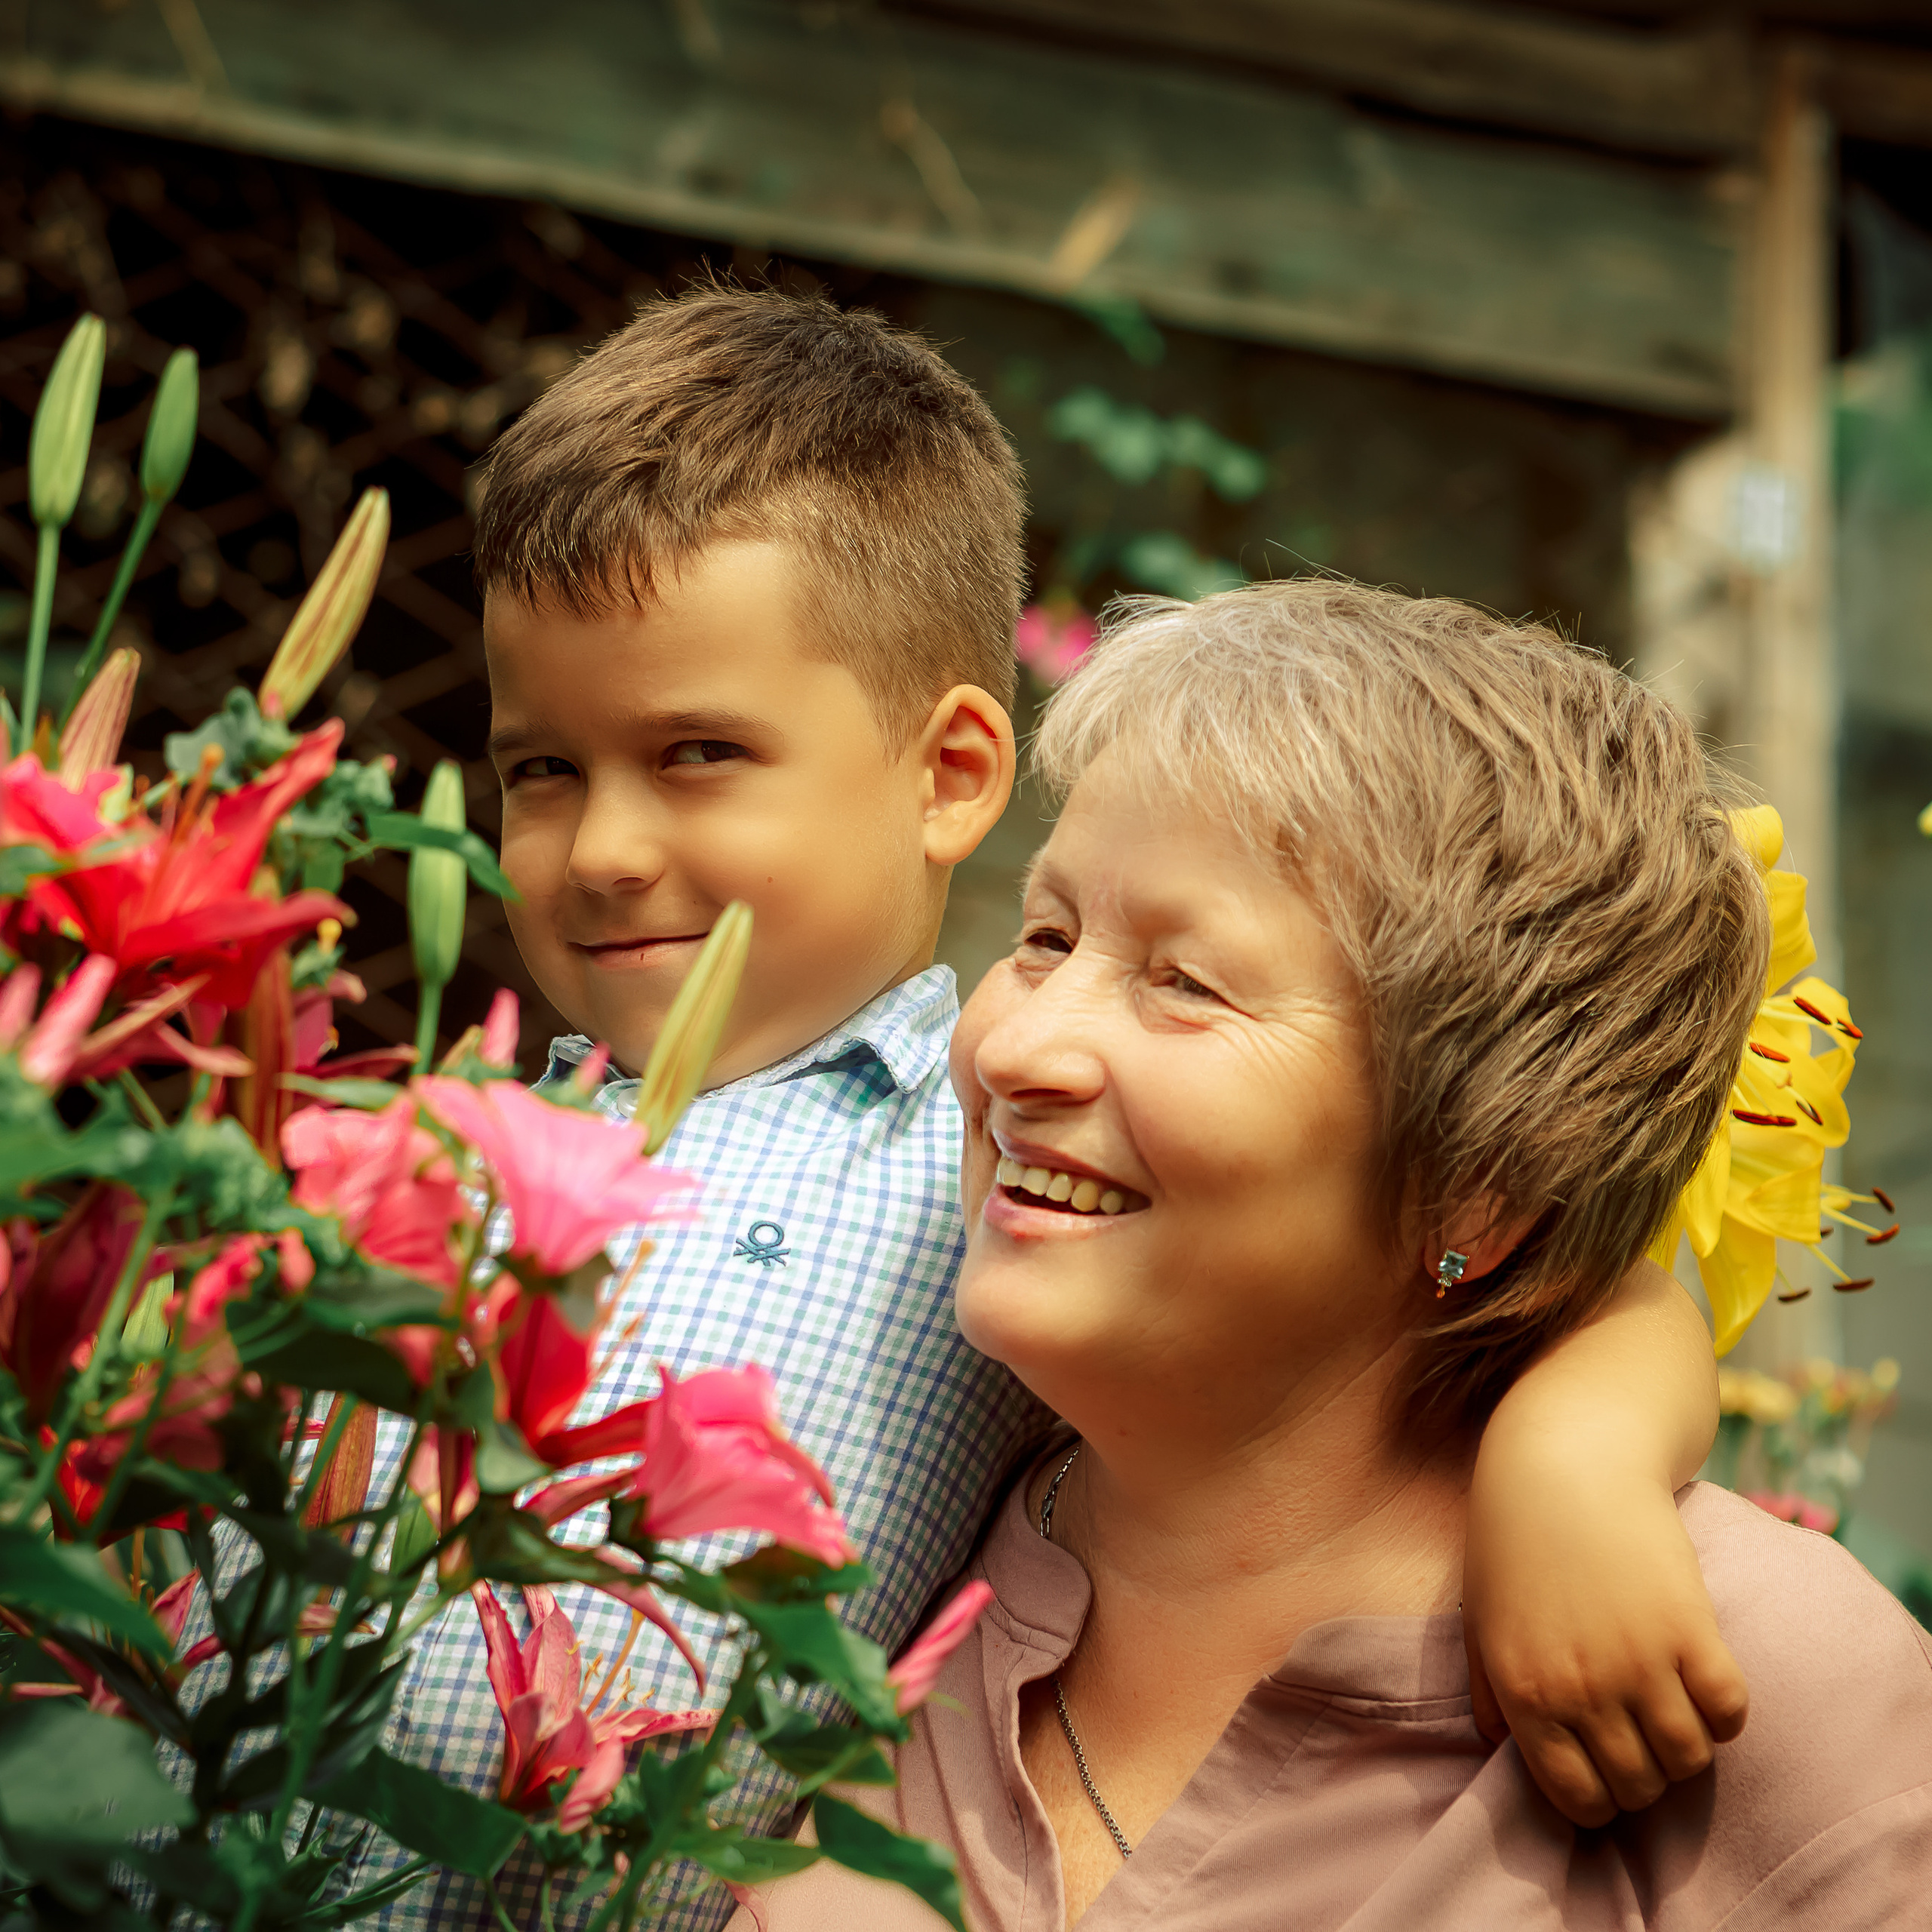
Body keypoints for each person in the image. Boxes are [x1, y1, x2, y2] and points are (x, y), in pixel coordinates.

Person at [337, 295, 1743, 1930]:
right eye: (538, 771)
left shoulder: (971, 1161)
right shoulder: (444, 1137)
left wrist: (1568, 1471)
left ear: (946, 775)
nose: (599, 851)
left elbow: (1563, 1253)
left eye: (698, 752)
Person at [729, 581, 1932, 1930]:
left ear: (1484, 1187)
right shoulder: (873, 1486)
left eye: (1184, 980)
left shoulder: (1759, 1681)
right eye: (1046, 938)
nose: (1012, 1047)